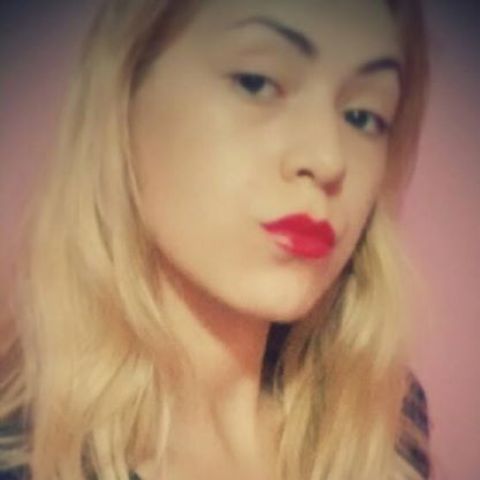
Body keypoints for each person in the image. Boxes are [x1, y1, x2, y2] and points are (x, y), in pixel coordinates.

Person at [0, 0, 431, 479]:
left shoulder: (384, 418)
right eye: (256, 82)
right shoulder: (22, 459)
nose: (328, 159)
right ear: (124, 95)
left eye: (363, 115)